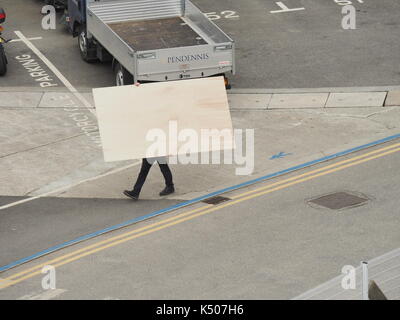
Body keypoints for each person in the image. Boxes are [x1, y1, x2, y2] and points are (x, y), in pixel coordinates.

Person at [123, 82, 175, 201]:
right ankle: (169, 186)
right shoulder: (153, 111)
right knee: (159, 166)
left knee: (148, 168)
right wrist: (138, 89)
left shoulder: (159, 113)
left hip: (156, 144)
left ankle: (137, 191)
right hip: (152, 143)